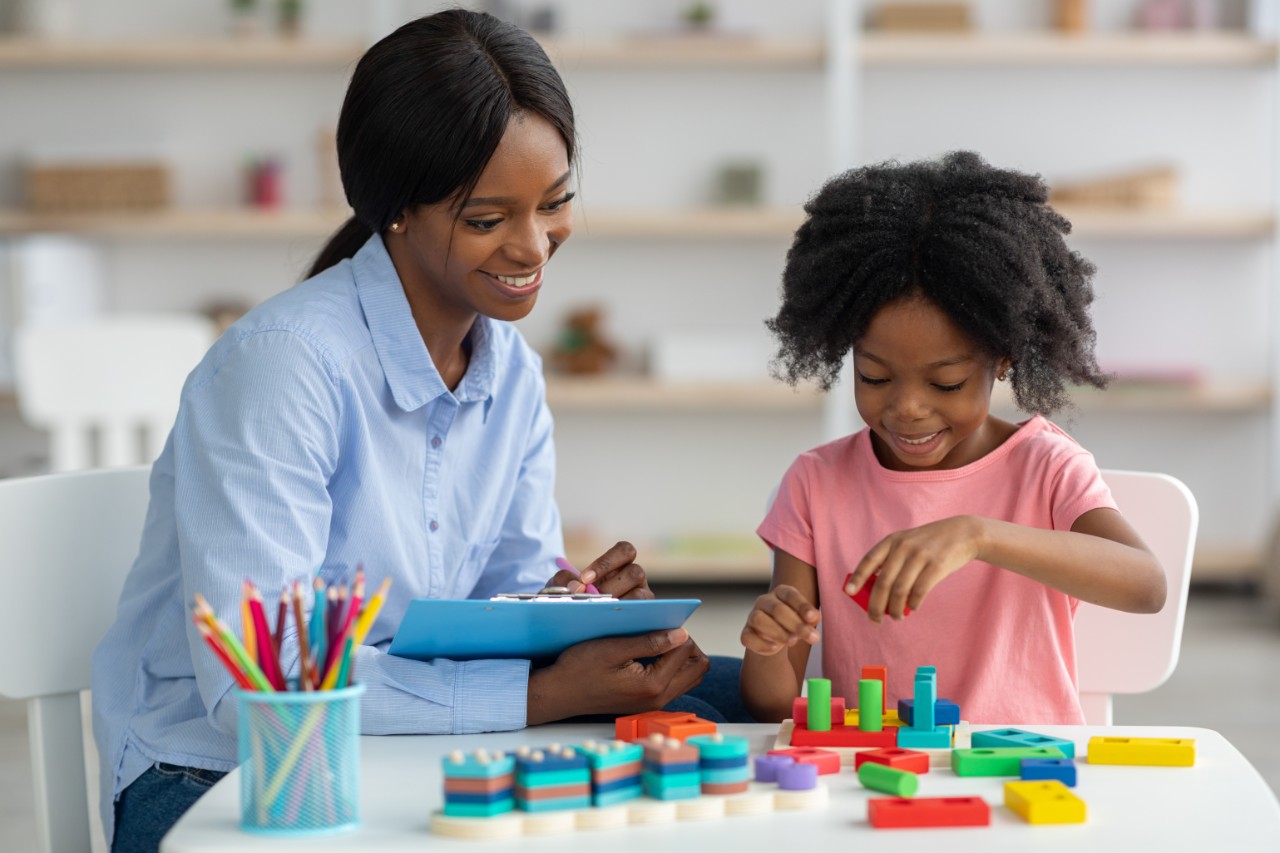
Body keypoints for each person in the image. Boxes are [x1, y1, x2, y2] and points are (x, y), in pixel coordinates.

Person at [92, 11, 743, 852]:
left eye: (557, 202)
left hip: (414, 746)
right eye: (487, 218)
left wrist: (575, 615)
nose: (534, 243)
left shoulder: (509, 373)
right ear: (395, 211)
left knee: (734, 701)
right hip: (222, 773)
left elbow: (502, 602)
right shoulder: (282, 367)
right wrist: (545, 695)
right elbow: (264, 685)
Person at [738, 151, 1167, 727]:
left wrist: (978, 535)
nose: (907, 408)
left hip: (1017, 765)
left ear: (1004, 359)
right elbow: (771, 707)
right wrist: (767, 645)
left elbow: (1146, 585)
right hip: (871, 769)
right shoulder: (816, 483)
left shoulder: (1045, 467)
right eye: (874, 376)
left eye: (947, 382)